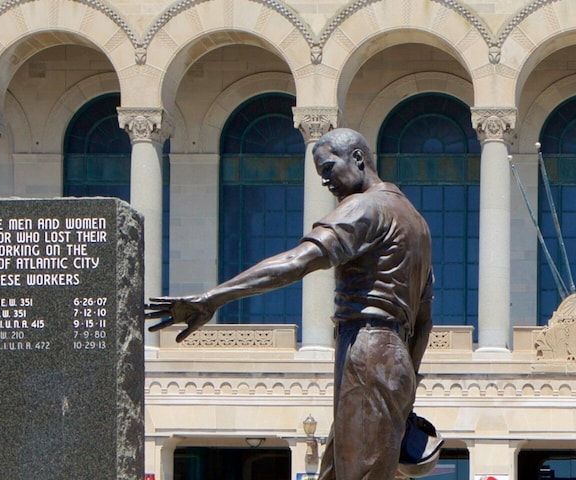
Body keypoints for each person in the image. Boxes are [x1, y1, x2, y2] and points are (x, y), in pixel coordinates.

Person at [145, 128, 437, 479]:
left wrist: (213, 298)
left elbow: (297, 262)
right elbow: (423, 322)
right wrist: (408, 384)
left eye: (329, 168)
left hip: (368, 350)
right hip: (392, 359)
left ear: (358, 159)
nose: (325, 181)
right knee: (335, 472)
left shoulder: (366, 206)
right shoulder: (416, 222)